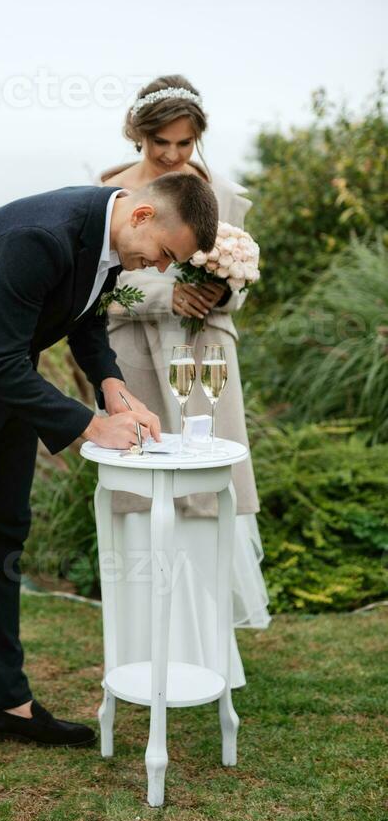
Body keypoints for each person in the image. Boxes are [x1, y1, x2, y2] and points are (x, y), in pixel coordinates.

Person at [0, 175, 218, 776]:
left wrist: (113, 387)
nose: (160, 269)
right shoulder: (41, 236)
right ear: (142, 215)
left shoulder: (113, 240)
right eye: (165, 254)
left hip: (3, 373)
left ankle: (6, 703)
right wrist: (93, 425)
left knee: (4, 532)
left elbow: (82, 320)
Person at [99, 75, 270, 685]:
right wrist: (167, 293)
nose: (172, 155)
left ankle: (207, 651)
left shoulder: (221, 192)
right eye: (160, 142)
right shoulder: (107, 195)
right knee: (141, 489)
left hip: (205, 359)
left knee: (202, 484)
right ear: (136, 133)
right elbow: (98, 291)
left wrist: (222, 290)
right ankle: (146, 645)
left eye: (185, 142)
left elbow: (240, 285)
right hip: (134, 353)